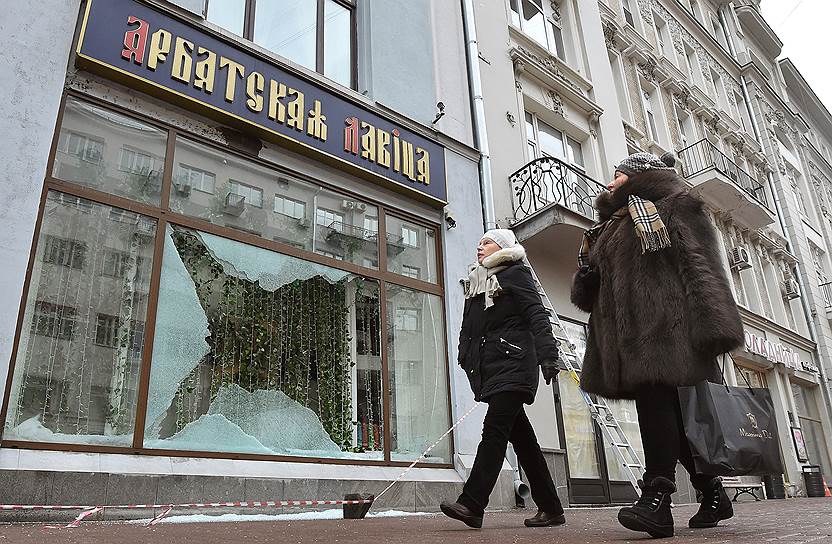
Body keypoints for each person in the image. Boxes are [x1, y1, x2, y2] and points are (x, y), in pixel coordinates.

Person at [570, 152, 744, 538]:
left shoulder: (674, 204)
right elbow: (594, 295)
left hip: (668, 330)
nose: (610, 182)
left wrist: (715, 327)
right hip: (629, 338)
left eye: (617, 175)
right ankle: (713, 493)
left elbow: (700, 264)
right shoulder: (613, 224)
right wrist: (586, 279)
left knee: (656, 410)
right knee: (675, 422)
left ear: (639, 176)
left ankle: (657, 498)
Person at [440, 229, 565, 529]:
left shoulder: (514, 273)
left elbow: (537, 313)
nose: (479, 246)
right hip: (495, 369)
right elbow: (468, 327)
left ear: (504, 247)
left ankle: (472, 503)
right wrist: (464, 355)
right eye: (478, 241)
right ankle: (551, 507)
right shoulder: (477, 281)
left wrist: (548, 355)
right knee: (524, 442)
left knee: (494, 430)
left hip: (515, 363)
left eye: (486, 242)